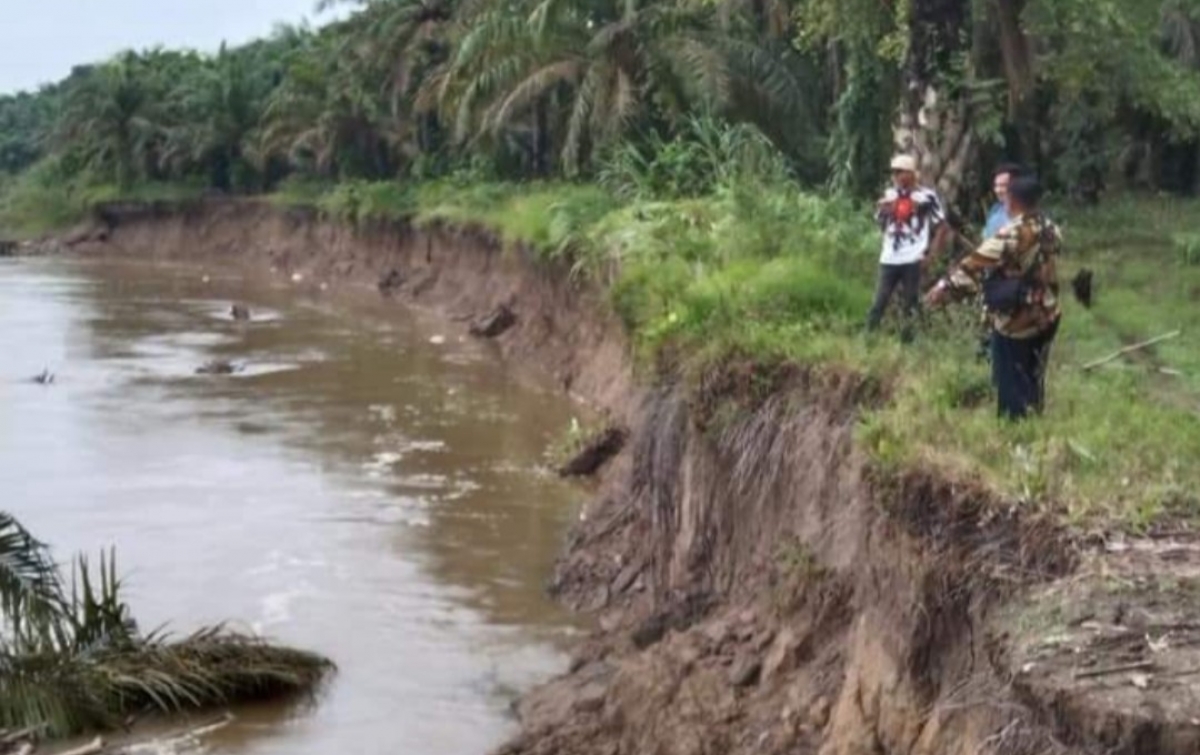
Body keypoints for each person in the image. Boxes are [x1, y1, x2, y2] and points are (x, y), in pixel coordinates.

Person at [925, 175, 1062, 420]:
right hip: (1047, 313)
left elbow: (974, 265)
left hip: (1016, 319)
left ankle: (1015, 432)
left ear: (1012, 200)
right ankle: (1035, 421)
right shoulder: (1052, 228)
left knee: (1010, 379)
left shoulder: (1012, 233)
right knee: (1034, 374)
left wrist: (942, 289)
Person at [867, 154, 949, 339]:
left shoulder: (926, 197)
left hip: (913, 257)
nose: (895, 177)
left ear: (911, 174)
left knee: (910, 303)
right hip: (889, 257)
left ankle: (908, 343)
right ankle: (867, 339)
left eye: (899, 172)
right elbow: (881, 225)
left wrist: (931, 255)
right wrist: (884, 211)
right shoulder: (890, 195)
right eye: (893, 173)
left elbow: (942, 227)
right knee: (879, 301)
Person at [983, 163, 1022, 240]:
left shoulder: (1026, 212)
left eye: (1003, 185)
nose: (998, 190)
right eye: (996, 185)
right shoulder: (995, 210)